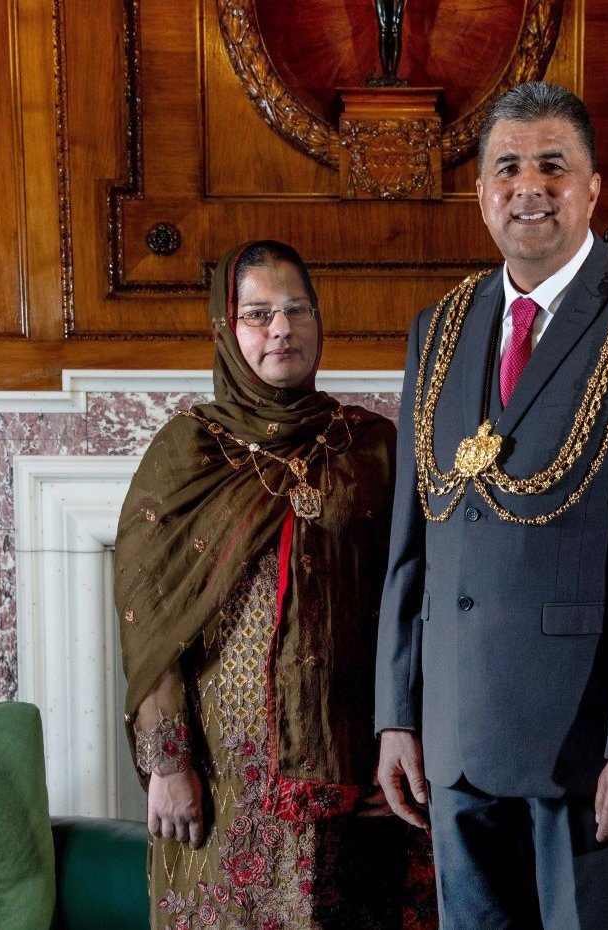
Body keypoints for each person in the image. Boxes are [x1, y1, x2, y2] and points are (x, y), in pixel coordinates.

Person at [375, 82, 608, 929]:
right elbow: (412, 542)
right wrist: (397, 715)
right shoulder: (441, 327)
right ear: (482, 194)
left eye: (552, 166)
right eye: (507, 168)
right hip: (454, 740)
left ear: (593, 188)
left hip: (584, 751)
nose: (527, 186)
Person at [116, 240, 430, 929]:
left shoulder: (375, 448)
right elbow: (151, 623)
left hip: (361, 761)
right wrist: (169, 766)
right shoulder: (187, 453)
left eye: (297, 311)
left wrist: (416, 738)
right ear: (226, 332)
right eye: (258, 314)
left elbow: (422, 605)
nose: (282, 329)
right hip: (229, 778)